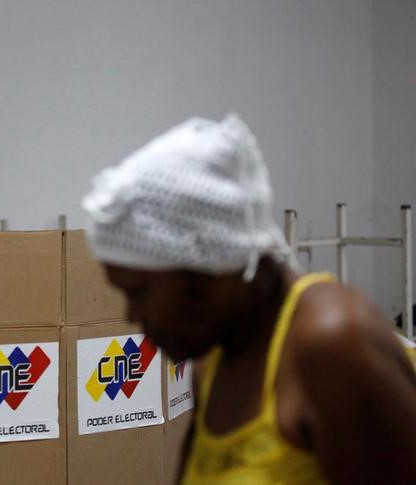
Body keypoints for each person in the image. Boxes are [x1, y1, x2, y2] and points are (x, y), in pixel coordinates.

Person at [82, 114, 416, 484]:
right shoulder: (212, 360)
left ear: (205, 270)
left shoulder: (333, 343)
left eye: (139, 292)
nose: (133, 315)